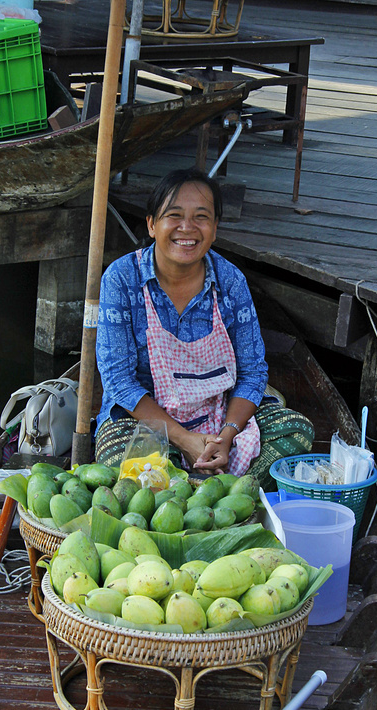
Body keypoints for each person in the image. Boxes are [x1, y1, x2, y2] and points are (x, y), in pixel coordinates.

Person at [94, 168, 314, 483]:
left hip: (219, 415)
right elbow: (119, 382)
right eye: (174, 215)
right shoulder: (122, 278)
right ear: (152, 224)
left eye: (201, 217)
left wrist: (227, 435)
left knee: (297, 431)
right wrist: (183, 439)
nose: (188, 228)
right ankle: (220, 490)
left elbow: (253, 374)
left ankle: (223, 492)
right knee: (122, 461)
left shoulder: (230, 281)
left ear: (214, 228)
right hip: (146, 422)